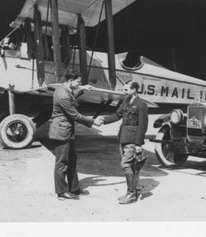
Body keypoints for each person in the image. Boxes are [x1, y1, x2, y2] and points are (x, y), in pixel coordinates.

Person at [49, 72, 103, 200]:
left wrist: (82, 89)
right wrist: (93, 121)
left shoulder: (64, 89)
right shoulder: (62, 95)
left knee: (72, 160)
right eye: (78, 82)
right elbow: (75, 115)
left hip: (66, 130)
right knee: (62, 162)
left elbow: (72, 95)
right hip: (61, 131)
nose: (79, 84)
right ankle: (61, 192)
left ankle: (74, 188)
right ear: (70, 80)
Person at [98, 80, 148, 205]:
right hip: (123, 137)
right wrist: (103, 120)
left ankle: (131, 194)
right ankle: (132, 191)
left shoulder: (141, 104)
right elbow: (117, 115)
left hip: (133, 139)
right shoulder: (125, 101)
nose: (123, 92)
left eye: (126, 90)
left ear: (134, 90)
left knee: (126, 165)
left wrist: (138, 144)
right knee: (130, 166)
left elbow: (143, 125)